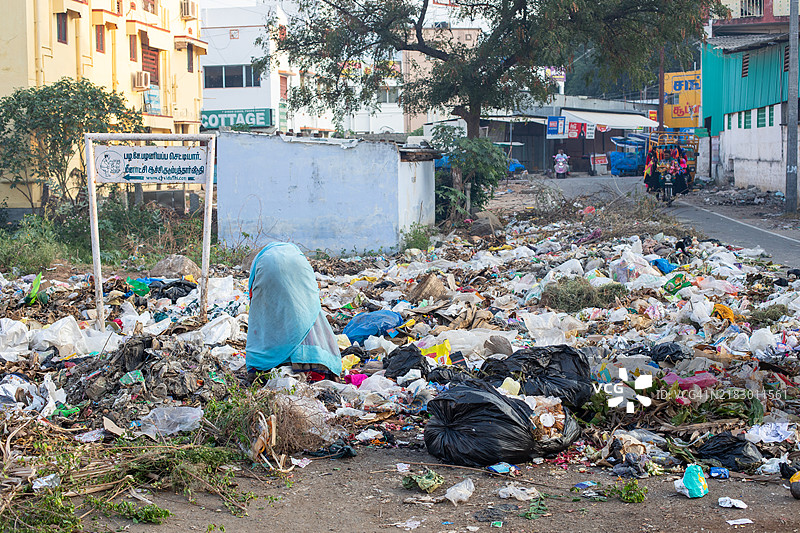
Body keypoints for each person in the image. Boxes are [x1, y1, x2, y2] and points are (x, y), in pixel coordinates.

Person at [246, 242, 342, 377]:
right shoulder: (295, 253)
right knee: (305, 312)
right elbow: (312, 293)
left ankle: (271, 360)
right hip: (299, 268)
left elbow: (252, 293)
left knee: (269, 315)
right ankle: (312, 359)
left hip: (266, 271)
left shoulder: (261, 258)